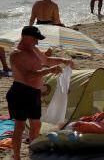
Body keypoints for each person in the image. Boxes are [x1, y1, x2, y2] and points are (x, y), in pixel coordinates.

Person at [7, 26, 74, 160]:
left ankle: (32, 153)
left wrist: (62, 60)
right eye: (35, 39)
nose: (37, 42)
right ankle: (17, 157)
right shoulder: (16, 54)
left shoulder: (34, 49)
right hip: (21, 92)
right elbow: (27, 76)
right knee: (19, 126)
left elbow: (47, 61)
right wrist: (49, 71)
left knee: (36, 124)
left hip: (34, 93)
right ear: (25, 37)